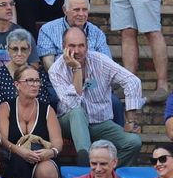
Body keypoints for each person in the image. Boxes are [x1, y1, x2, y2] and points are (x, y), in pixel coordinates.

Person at [51, 25, 143, 163]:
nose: (77, 51)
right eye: (72, 46)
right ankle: (85, 162)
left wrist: (130, 120)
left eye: (81, 45)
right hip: (69, 122)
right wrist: (77, 69)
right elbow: (73, 104)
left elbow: (132, 81)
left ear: (87, 46)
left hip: (100, 122)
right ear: (63, 47)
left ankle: (105, 172)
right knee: (77, 112)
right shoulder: (56, 70)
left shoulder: (100, 61)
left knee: (133, 142)